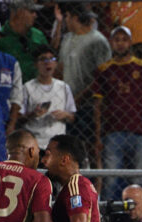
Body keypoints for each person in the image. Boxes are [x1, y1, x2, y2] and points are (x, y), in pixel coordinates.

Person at [92, 25, 142, 199]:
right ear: (111, 43)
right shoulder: (104, 70)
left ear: (130, 42)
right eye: (116, 40)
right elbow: (97, 105)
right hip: (112, 132)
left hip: (139, 130)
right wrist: (98, 136)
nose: (120, 44)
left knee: (138, 179)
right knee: (111, 179)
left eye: (124, 40)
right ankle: (108, 217)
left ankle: (137, 217)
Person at [58, 3, 110, 155]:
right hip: (68, 102)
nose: (65, 20)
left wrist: (79, 97)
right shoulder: (67, 38)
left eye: (66, 16)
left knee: (89, 146)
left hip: (89, 104)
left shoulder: (97, 40)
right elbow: (61, 68)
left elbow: (102, 76)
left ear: (74, 17)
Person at [20, 45, 76, 150]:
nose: (48, 62)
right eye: (43, 59)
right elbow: (19, 118)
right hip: (34, 142)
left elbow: (72, 117)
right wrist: (33, 114)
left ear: (56, 63)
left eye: (52, 59)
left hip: (58, 142)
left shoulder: (63, 87)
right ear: (36, 64)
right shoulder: (27, 87)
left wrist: (65, 114)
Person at [0, 0, 47, 83]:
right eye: (31, 11)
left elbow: (48, 60)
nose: (35, 15)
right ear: (20, 12)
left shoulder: (38, 36)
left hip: (35, 87)